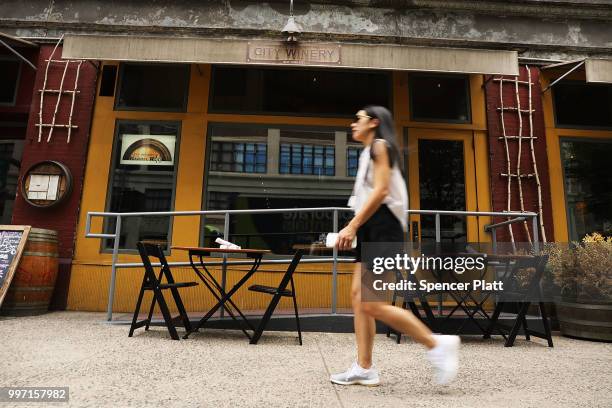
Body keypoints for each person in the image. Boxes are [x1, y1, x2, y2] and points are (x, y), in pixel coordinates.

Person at [330, 106, 460, 387]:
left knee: (372, 304)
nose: (353, 124)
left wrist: (352, 226)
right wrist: (356, 227)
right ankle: (364, 368)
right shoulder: (370, 151)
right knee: (359, 299)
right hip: (373, 229)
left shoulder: (379, 146)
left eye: (358, 119)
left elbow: (382, 190)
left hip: (383, 230)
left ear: (374, 122)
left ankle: (437, 344)